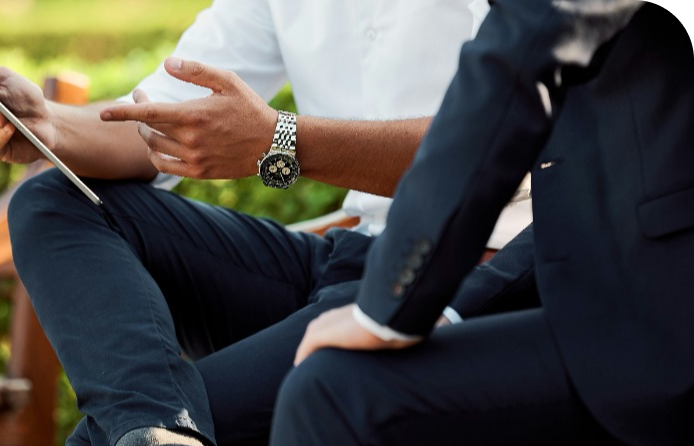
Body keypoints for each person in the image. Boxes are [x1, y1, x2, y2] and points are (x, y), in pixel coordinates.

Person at [0, 1, 533, 445]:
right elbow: (158, 120)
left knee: (100, 439)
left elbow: (508, 141)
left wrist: (281, 142)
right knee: (52, 202)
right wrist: (45, 124)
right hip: (347, 255)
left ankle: (151, 430)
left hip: (468, 270)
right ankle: (154, 428)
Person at [270, 0, 694, 444]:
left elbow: (530, 41)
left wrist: (388, 305)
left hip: (658, 312)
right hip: (582, 284)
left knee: (332, 392)